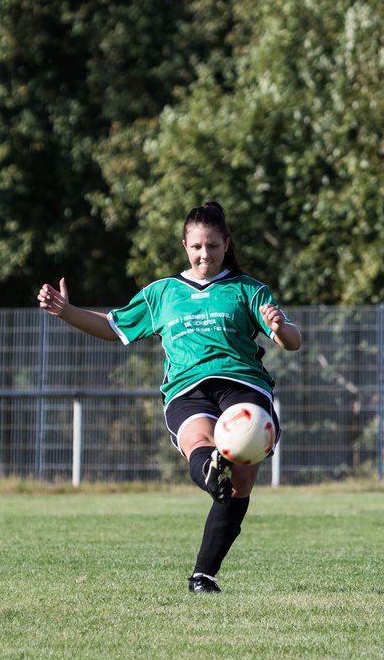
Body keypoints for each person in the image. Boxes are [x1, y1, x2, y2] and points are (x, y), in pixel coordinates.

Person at [37, 200, 301, 593]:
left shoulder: (248, 290)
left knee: (242, 476)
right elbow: (113, 326)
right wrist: (67, 311)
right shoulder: (163, 293)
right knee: (202, 446)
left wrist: (279, 328)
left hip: (242, 386)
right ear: (184, 246)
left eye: (212, 246)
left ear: (226, 245)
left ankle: (203, 575)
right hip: (187, 391)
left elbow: (292, 340)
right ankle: (211, 474)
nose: (204, 254)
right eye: (196, 246)